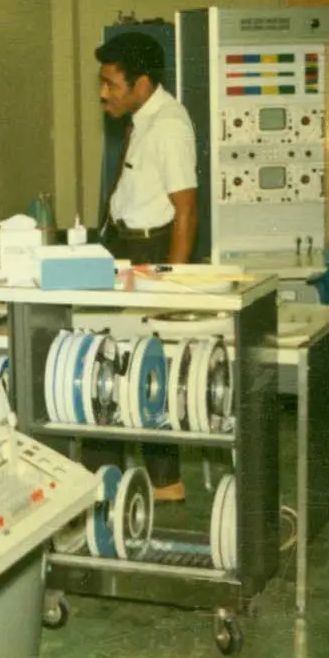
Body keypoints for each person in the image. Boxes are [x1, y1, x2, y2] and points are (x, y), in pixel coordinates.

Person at [96, 32, 198, 502]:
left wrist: (169, 288)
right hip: (126, 247)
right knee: (112, 363)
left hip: (153, 252)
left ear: (141, 83)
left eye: (111, 84)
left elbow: (186, 212)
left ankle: (165, 483)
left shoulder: (169, 126)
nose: (104, 93)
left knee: (143, 366)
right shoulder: (142, 118)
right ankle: (109, 475)